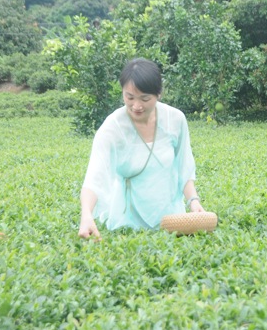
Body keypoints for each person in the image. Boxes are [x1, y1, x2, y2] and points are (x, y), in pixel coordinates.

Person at [78, 58, 205, 239]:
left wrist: (193, 201)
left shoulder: (175, 119)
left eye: (145, 99)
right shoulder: (112, 128)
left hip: (171, 218)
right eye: (129, 97)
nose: (136, 106)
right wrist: (87, 215)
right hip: (127, 220)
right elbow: (95, 177)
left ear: (158, 94)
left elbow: (184, 166)